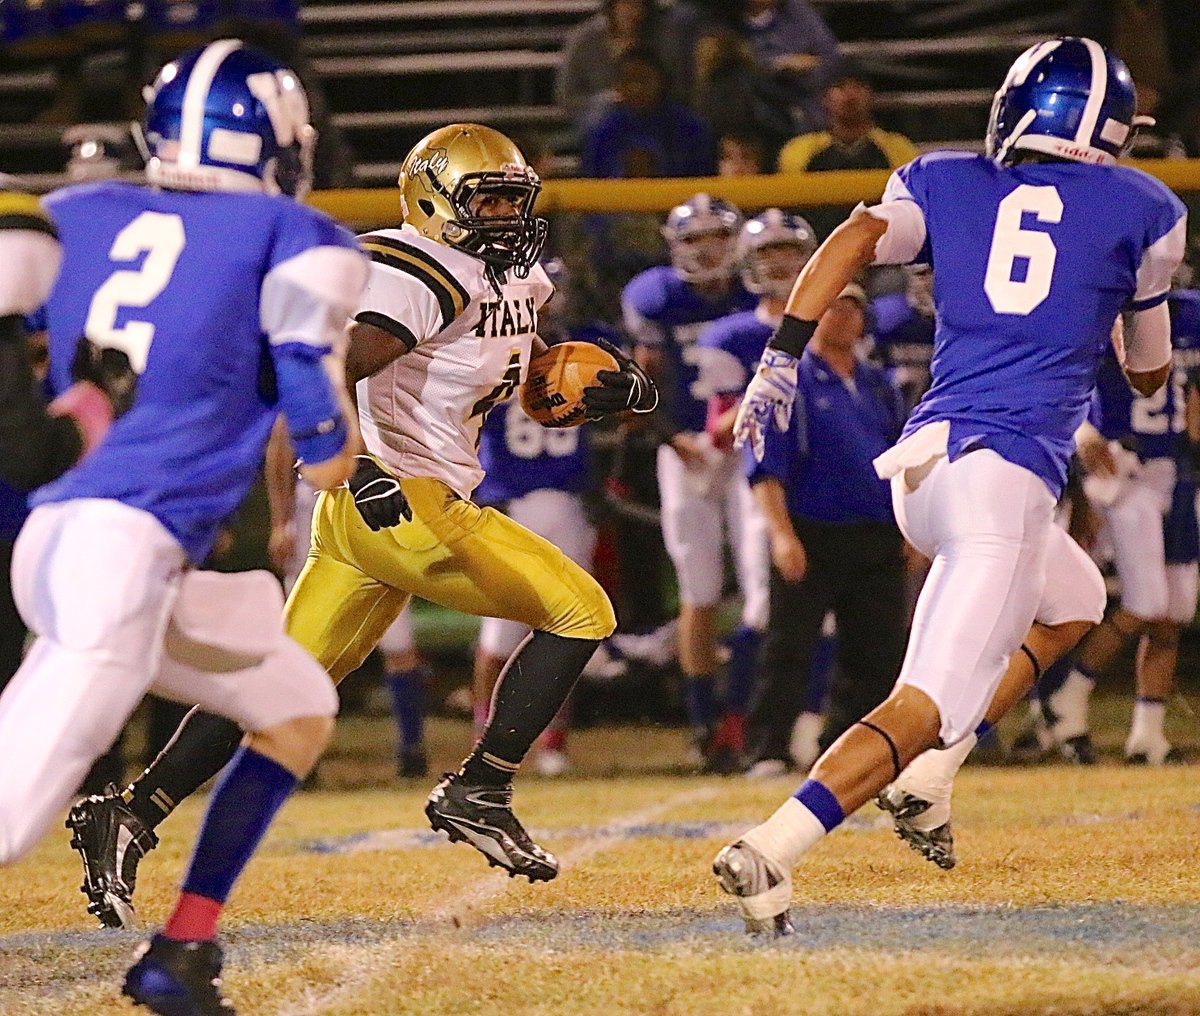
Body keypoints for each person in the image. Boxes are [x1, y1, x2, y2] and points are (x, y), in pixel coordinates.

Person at [70, 123, 658, 914]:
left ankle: (128, 816)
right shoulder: (423, 272)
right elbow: (316, 367)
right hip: (403, 500)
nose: (505, 218)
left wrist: (572, 380)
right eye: (486, 201)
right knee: (582, 611)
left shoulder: (511, 280)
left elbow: (495, 366)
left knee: (278, 683)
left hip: (375, 515)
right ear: (434, 201)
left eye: (512, 201)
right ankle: (480, 788)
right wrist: (363, 463)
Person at [714, 37, 1182, 933]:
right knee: (921, 701)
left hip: (925, 465)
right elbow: (1151, 373)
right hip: (1000, 484)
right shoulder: (1147, 207)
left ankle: (932, 775)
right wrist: (1120, 316)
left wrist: (782, 356)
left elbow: (851, 236)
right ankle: (772, 845)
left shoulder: (941, 176)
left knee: (1074, 597)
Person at [2, 40, 366, 1015]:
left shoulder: (69, 214)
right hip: (119, 551)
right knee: (5, 813)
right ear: (277, 141)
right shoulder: (294, 230)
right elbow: (326, 450)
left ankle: (182, 949)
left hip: (66, 538)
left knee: (295, 703)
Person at [1034, 284, 1200, 764]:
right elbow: (1060, 387)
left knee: (1173, 613)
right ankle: (1067, 699)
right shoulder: (1095, 313)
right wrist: (1084, 432)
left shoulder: (1187, 315)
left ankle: (1147, 736)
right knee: (1146, 603)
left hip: (1178, 473)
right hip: (1126, 473)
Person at [624, 193, 760, 770]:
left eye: (717, 238)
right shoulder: (656, 297)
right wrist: (672, 438)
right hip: (688, 452)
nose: (707, 251)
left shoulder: (755, 289)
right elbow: (642, 385)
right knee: (699, 589)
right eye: (694, 239)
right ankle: (705, 722)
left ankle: (747, 717)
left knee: (762, 587)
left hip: (753, 448)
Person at [699, 208, 822, 774]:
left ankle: (812, 729)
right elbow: (720, 431)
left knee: (830, 615)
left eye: (787, 251)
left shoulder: (834, 315)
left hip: (829, 479)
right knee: (764, 607)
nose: (778, 263)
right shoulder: (734, 335)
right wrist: (770, 380)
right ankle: (741, 729)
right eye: (767, 253)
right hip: (765, 482)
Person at [556, 0, 692, 131]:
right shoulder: (583, 40)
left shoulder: (661, 38)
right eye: (626, 3)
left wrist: (643, 95)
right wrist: (608, 98)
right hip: (600, 117)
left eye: (638, 5)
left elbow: (678, 88)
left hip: (652, 111)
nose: (633, 12)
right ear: (612, 5)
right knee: (606, 112)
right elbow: (567, 97)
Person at [581, 48, 715, 179]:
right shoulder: (603, 133)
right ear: (617, 86)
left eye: (644, 79)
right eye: (629, 80)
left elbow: (706, 185)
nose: (636, 88)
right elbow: (590, 187)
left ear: (662, 81)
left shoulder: (691, 129)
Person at [868, 264, 935, 414]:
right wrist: (890, 377)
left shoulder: (961, 320)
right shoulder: (883, 315)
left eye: (930, 274)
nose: (927, 281)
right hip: (888, 409)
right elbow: (858, 366)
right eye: (921, 274)